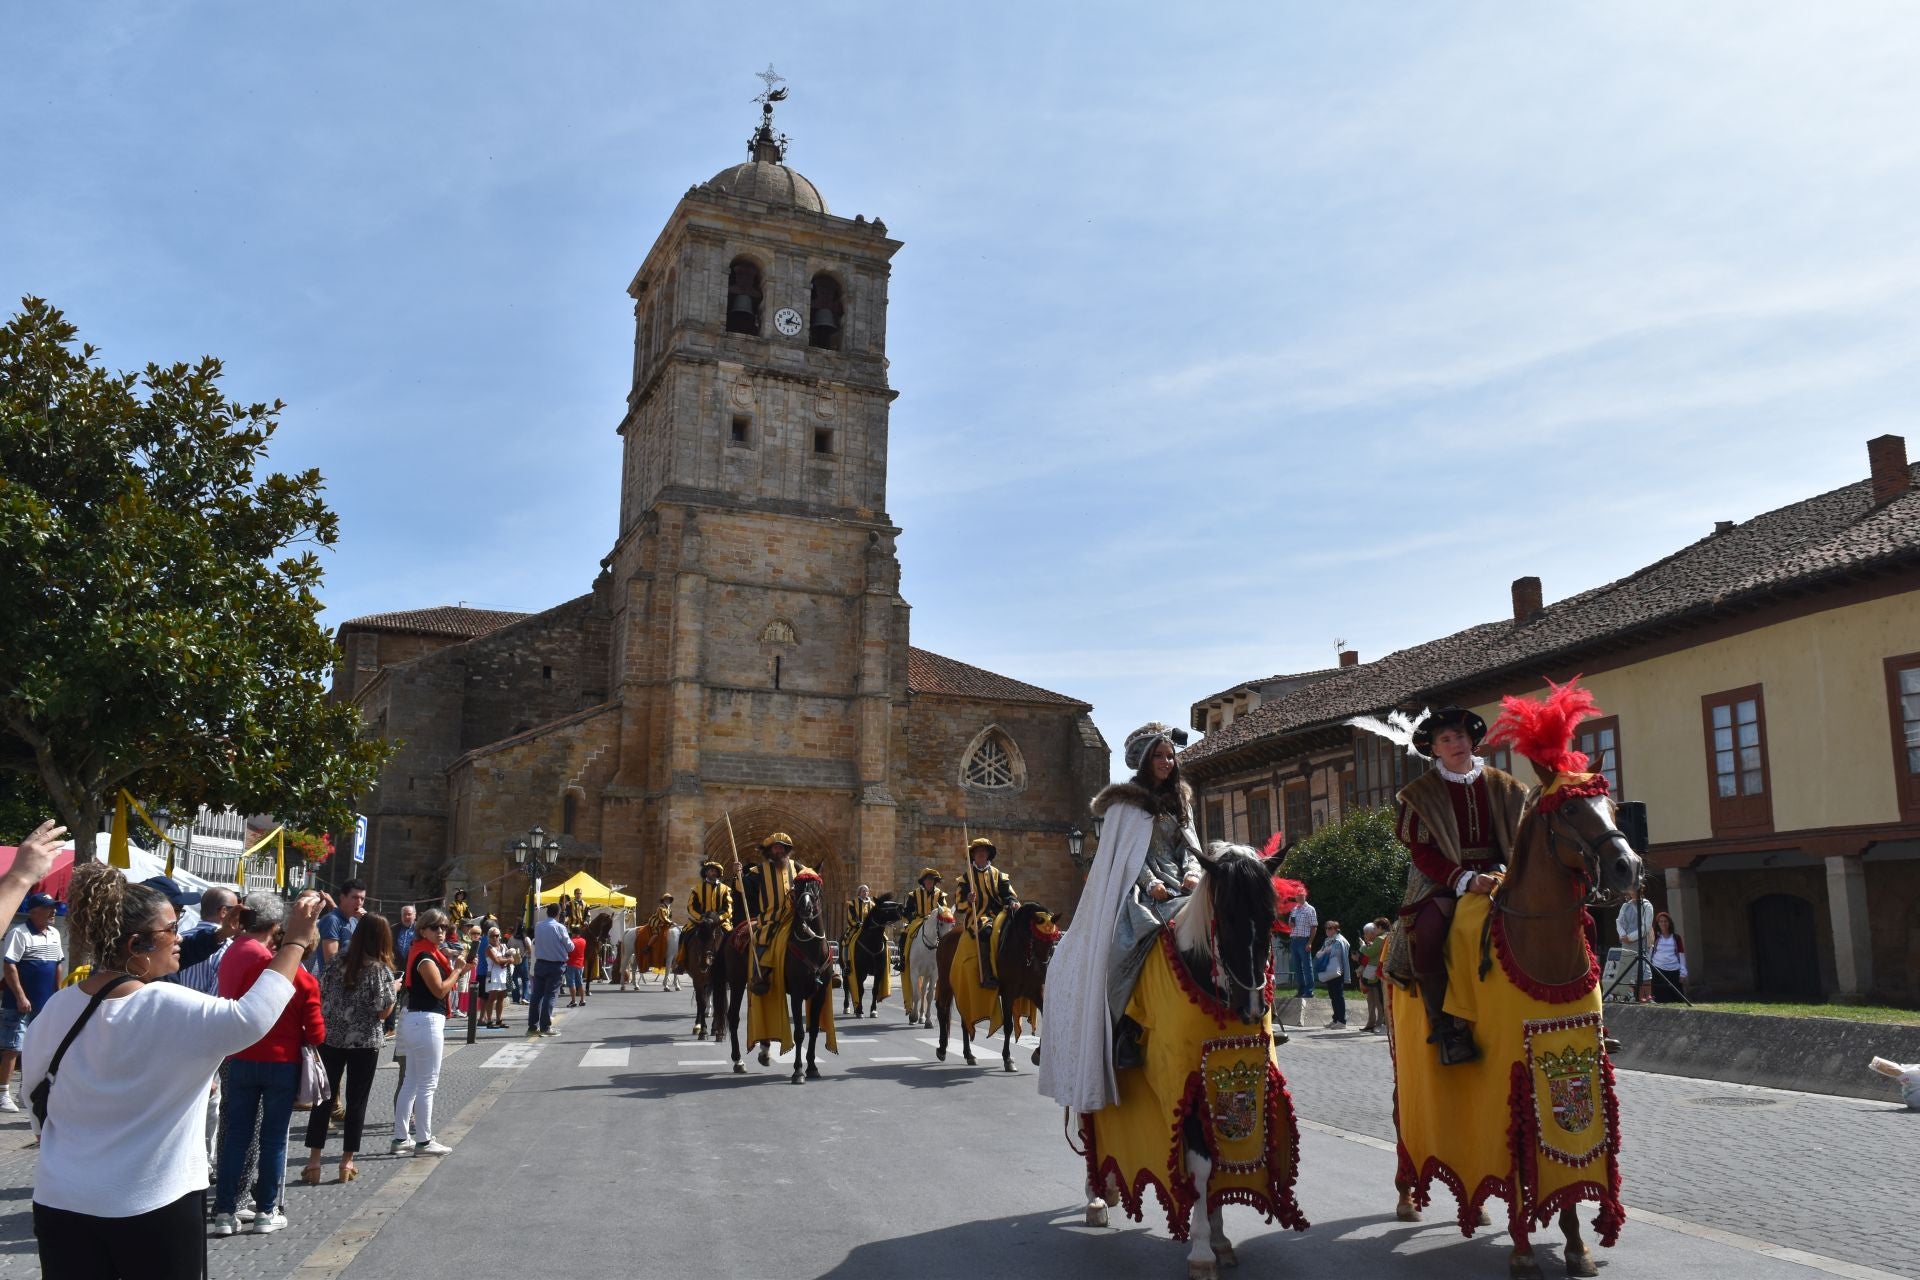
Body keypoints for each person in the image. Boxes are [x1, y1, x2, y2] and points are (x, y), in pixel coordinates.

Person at [24, 860, 328, 1277]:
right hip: (154, 1203)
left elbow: (35, 1105)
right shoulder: (170, 1006)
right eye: (171, 928)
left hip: (62, 1201)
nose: (180, 936)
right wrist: (294, 942)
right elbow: (253, 1017)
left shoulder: (58, 1007)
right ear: (137, 945)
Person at [1038, 721, 1201, 1113]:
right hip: (1138, 889)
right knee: (1124, 948)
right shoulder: (1125, 806)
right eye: (1159, 756)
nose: (1167, 762)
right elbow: (1129, 858)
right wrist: (1150, 884)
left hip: (1183, 884)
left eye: (1170, 756)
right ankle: (1125, 1029)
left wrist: (1194, 872)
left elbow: (1190, 846)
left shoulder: (1180, 800)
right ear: (1145, 761)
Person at [1387, 706, 1528, 1066]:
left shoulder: (1505, 785)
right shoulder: (1420, 794)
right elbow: (1421, 853)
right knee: (1429, 930)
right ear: (1434, 749)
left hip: (1502, 872)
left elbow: (1521, 835)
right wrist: (1463, 879)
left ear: (1472, 741)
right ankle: (1446, 1029)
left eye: (1461, 736)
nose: (1455, 744)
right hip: (1440, 879)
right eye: (1446, 739)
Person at [212, 891, 326, 1235]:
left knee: (236, 1137)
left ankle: (225, 1212)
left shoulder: (253, 968)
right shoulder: (305, 980)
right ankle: (266, 1211)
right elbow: (317, 1034)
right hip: (282, 1064)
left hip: (243, 1058)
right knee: (273, 1140)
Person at [299, 913, 395, 1185]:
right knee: (356, 1101)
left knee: (323, 1099)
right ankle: (346, 1161)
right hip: (364, 1042)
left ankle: (314, 1162)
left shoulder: (335, 962)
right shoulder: (379, 970)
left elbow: (322, 994)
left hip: (331, 1038)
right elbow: (382, 1011)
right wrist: (395, 990)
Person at [393, 908, 469, 1156]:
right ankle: (424, 1141)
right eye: (435, 927)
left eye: (444, 927)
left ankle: (401, 1138)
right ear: (423, 930)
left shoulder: (425, 952)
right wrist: (457, 971)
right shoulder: (425, 957)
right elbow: (439, 990)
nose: (441, 932)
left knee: (412, 1081)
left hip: (416, 1020)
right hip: (426, 1021)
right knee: (427, 1084)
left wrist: (459, 969)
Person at [0, 892, 65, 1112]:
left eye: (54, 907)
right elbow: (9, 966)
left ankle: (23, 1091)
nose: (54, 911)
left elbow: (57, 964)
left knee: (35, 1047)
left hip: (44, 1001)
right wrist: (20, 996)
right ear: (34, 911)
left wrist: (58, 993)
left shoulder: (54, 933)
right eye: (48, 908)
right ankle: (2, 1093)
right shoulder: (19, 933)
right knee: (13, 1047)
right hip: (19, 1002)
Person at [737, 833, 813, 997]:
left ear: (786, 850)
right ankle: (759, 974)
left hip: (793, 916)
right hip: (770, 918)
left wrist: (813, 876)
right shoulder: (759, 871)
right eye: (775, 848)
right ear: (769, 851)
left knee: (814, 931)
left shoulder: (797, 867)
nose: (778, 851)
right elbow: (743, 888)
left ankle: (825, 968)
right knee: (762, 938)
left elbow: (811, 875)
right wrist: (739, 874)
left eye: (781, 847)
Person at [959, 837, 1019, 990]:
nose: (981, 854)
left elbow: (1008, 894)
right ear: (973, 856)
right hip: (978, 916)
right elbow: (959, 905)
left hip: (1000, 914)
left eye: (983, 851)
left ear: (988, 855)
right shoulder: (966, 878)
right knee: (986, 932)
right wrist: (968, 899)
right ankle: (987, 975)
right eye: (977, 851)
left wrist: (1013, 901)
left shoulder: (999, 874)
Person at [173, 886, 240, 995]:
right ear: (223, 911)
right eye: (236, 910)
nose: (239, 915)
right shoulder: (229, 948)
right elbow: (217, 997)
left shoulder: (178, 939)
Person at [677, 862, 733, 970]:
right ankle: (680, 962)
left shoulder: (725, 889)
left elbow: (729, 908)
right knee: (684, 934)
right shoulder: (697, 889)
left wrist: (720, 918)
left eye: (715, 871)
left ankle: (731, 964)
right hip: (701, 921)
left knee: (731, 937)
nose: (713, 872)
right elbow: (691, 907)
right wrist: (701, 917)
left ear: (718, 873)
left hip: (719, 922)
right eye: (711, 870)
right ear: (706, 872)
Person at [900, 867, 947, 995]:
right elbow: (907, 911)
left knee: (945, 935)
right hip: (919, 920)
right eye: (927, 879)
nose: (930, 882)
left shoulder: (940, 895)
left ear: (935, 881)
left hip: (935, 922)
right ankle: (902, 961)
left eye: (932, 880)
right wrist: (912, 918)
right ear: (923, 881)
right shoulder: (914, 894)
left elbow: (944, 910)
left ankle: (945, 961)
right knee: (904, 935)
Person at [526, 903, 570, 1037]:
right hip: (555, 965)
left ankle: (532, 1026)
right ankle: (545, 1026)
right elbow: (570, 947)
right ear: (558, 914)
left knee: (536, 995)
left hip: (540, 963)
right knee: (550, 995)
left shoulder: (539, 926)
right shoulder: (560, 927)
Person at [315, 878, 366, 973]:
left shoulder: (355, 921)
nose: (359, 902)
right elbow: (331, 961)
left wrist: (366, 923)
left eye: (362, 899)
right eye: (355, 897)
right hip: (336, 980)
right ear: (342, 897)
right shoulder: (332, 920)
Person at [1617, 884, 1654, 1003]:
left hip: (1640, 941)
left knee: (1643, 968)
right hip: (1626, 942)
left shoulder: (1646, 905)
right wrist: (1623, 935)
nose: (1631, 891)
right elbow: (1619, 922)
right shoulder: (1625, 906)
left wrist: (1631, 937)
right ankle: (1628, 996)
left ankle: (1646, 997)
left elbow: (1646, 926)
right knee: (1627, 969)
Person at [1316, 919, 1353, 1029]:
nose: (1327, 930)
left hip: (1337, 971)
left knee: (1338, 996)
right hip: (1330, 971)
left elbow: (1335, 954)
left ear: (1336, 929)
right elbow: (1319, 954)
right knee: (1333, 996)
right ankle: (1336, 1019)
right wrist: (1325, 952)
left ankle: (1342, 1021)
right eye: (1326, 928)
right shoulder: (1328, 940)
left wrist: (1324, 952)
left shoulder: (1339, 941)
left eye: (1330, 928)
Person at [1357, 918, 1390, 1033]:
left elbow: (1370, 953)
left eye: (1375, 928)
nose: (1374, 930)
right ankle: (1373, 1024)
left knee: (1377, 1000)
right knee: (1373, 999)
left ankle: (1378, 1024)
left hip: (1375, 971)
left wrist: (1363, 946)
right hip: (1374, 971)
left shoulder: (1380, 938)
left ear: (1380, 928)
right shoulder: (1384, 937)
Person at [1649, 910, 1688, 1003]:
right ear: (1658, 924)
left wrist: (1683, 973)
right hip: (1658, 970)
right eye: (1661, 921)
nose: (1663, 923)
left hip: (1674, 970)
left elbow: (1681, 955)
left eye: (1665, 921)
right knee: (1660, 998)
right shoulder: (1655, 938)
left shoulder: (1676, 938)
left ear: (1669, 923)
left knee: (1676, 998)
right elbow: (1650, 953)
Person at [1288, 892, 1319, 1000]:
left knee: (1307, 967)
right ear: (1295, 897)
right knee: (1297, 967)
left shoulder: (1310, 909)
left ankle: (1309, 991)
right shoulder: (1294, 909)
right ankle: (1300, 990)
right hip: (1294, 940)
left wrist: (1309, 942)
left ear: (1305, 896)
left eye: (1301, 895)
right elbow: (1290, 924)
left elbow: (1314, 927)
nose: (1299, 897)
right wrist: (1291, 924)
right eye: (1297, 895)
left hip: (1304, 940)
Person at [565, 928, 588, 1006]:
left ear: (573, 933)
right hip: (580, 964)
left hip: (571, 963)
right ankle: (582, 1000)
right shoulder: (583, 941)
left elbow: (568, 951)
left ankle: (573, 1001)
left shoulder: (571, 941)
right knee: (580, 983)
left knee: (572, 983)